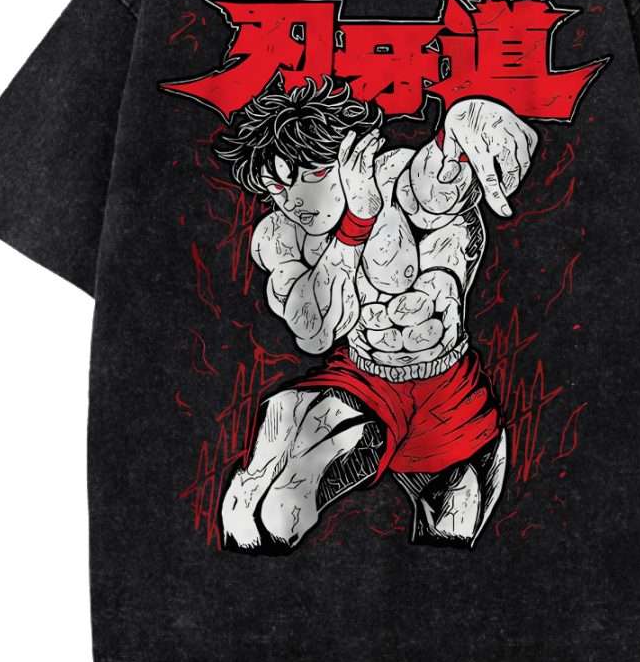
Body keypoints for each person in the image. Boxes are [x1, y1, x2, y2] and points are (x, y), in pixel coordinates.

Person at [214, 72, 538, 552]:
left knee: (453, 544)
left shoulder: (393, 175)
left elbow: (434, 187)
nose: (294, 201)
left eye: (310, 175)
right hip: (364, 382)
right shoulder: (280, 236)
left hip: (451, 397)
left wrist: (461, 133)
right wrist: (355, 224)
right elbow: (316, 331)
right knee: (270, 508)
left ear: (351, 155)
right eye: (276, 188)